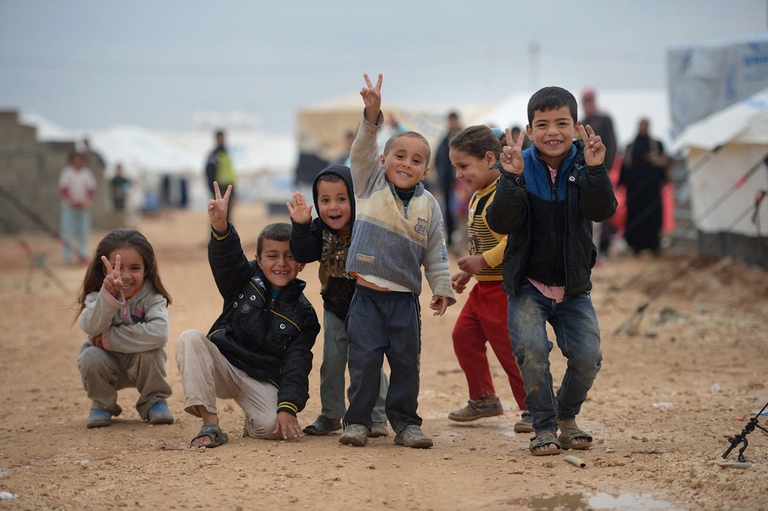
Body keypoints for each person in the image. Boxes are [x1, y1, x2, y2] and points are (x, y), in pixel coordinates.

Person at [486, 86, 617, 456]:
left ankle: (566, 417)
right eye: (542, 124)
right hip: (529, 283)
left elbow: (602, 210)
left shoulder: (584, 164)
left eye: (561, 122)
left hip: (574, 288)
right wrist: (510, 179)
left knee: (588, 357)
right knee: (531, 350)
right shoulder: (519, 166)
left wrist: (596, 170)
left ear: (576, 126)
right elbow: (501, 221)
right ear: (529, 130)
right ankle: (543, 426)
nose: (552, 132)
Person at [339, 73, 456, 449]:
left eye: (416, 160)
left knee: (407, 365)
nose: (406, 164)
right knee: (365, 364)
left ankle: (406, 423)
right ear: (383, 159)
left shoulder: (430, 206)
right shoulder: (369, 183)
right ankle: (356, 422)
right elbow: (359, 151)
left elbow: (436, 250)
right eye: (399, 156)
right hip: (367, 299)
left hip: (404, 302)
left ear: (426, 170)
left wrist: (441, 287)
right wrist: (372, 114)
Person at [175, 182, 320, 448]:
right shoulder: (243, 279)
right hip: (224, 365)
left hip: (261, 378)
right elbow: (226, 260)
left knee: (272, 429)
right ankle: (210, 424)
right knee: (190, 339)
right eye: (272, 256)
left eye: (289, 257)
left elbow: (297, 364)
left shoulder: (305, 314)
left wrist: (288, 408)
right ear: (258, 258)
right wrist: (220, 226)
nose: (281, 263)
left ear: (301, 263)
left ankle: (253, 422)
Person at [286, 165, 390, 438]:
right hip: (334, 305)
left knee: (370, 363)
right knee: (332, 361)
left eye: (342, 199)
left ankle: (378, 416)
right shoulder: (317, 228)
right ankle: (331, 413)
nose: (333, 207)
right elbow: (304, 253)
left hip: (368, 306)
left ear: (354, 200)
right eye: (325, 200)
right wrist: (299, 225)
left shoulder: (365, 225)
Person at [446, 126, 531, 433]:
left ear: (489, 158)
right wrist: (469, 272)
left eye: (463, 166)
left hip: (503, 290)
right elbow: (480, 241)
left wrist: (483, 262)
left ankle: (534, 408)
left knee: (510, 350)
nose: (458, 174)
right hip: (483, 288)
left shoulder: (502, 196)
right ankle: (483, 398)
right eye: (455, 167)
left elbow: (513, 241)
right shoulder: (478, 195)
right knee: (463, 337)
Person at [75, 229, 174, 428]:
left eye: (135, 268)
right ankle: (102, 403)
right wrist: (108, 298)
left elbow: (159, 333)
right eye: (116, 268)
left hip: (142, 365)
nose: (125, 276)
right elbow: (90, 326)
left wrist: (108, 339)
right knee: (89, 356)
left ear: (146, 269)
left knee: (152, 351)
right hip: (108, 363)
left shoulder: (152, 296)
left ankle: (154, 401)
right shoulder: (96, 295)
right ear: (104, 270)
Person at [619, 118, 670, 255]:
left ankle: (653, 245)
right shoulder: (631, 147)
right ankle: (634, 245)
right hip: (635, 192)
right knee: (635, 218)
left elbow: (663, 165)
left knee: (652, 218)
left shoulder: (656, 145)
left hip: (651, 191)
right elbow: (625, 166)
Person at [581, 89, 618, 259]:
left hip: (601, 169)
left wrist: (605, 168)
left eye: (590, 99)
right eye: (585, 100)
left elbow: (611, 143)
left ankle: (602, 248)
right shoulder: (582, 121)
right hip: (584, 172)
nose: (588, 103)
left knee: (603, 208)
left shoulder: (604, 119)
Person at [59, 150, 97, 265]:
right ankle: (67, 256)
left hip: (83, 207)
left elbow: (91, 189)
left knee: (83, 232)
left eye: (80, 161)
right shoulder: (67, 173)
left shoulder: (87, 173)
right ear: (71, 162)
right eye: (75, 161)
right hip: (69, 208)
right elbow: (63, 189)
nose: (78, 164)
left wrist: (86, 201)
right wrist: (71, 201)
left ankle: (83, 255)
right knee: (67, 231)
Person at [435, 111, 462, 250]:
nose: (452, 123)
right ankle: (451, 240)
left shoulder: (465, 137)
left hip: (464, 183)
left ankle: (465, 241)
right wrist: (442, 175)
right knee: (450, 212)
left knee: (465, 210)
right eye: (450, 120)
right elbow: (438, 160)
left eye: (454, 120)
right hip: (448, 183)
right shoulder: (444, 139)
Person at [205, 130, 236, 220]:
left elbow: (230, 173)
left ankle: (228, 234)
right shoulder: (215, 155)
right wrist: (213, 190)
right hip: (219, 189)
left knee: (227, 215)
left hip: (228, 187)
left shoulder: (226, 154)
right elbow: (209, 173)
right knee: (218, 216)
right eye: (220, 138)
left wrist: (234, 190)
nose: (222, 140)